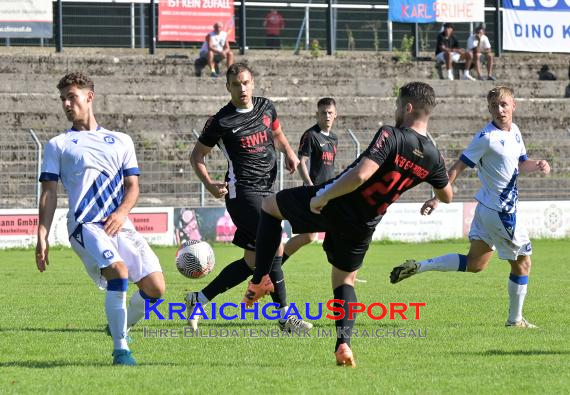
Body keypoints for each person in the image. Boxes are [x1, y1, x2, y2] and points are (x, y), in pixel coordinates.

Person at [243, 82, 453, 367]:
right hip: (365, 223)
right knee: (344, 280)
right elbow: (447, 194)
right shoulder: (434, 158)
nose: (394, 110)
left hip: (337, 202)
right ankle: (343, 344)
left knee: (270, 207)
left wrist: (323, 196)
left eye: (397, 105)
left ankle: (260, 280)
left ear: (408, 107)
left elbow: (360, 175)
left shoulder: (391, 134)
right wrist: (435, 198)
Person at [390, 86, 551, 329]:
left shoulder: (515, 132)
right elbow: (458, 167)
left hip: (487, 209)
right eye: (494, 106)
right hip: (501, 213)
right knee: (523, 263)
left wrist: (537, 164)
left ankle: (420, 267)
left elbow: (521, 163)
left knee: (475, 264)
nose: (499, 110)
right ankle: (515, 321)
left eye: (504, 105)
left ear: (513, 105)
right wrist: (436, 197)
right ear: (489, 109)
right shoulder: (486, 138)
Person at [35, 72, 166, 366]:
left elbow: (133, 188)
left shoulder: (120, 141)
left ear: (89, 97)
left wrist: (121, 214)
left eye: (72, 97)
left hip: (118, 223)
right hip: (84, 225)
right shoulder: (58, 144)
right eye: (63, 99)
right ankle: (121, 350)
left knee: (156, 289)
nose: (67, 104)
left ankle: (118, 325)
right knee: (118, 273)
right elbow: (49, 192)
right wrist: (42, 233)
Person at [185, 62, 313, 333]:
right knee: (275, 243)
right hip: (242, 193)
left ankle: (199, 299)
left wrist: (289, 153)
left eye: (245, 83)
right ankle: (284, 316)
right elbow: (197, 156)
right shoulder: (221, 121)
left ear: (252, 83)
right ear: (228, 87)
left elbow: (276, 134)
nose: (241, 88)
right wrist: (208, 184)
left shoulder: (266, 107)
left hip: (267, 189)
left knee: (253, 261)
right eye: (235, 84)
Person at [282, 97, 338, 263]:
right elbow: (301, 162)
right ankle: (277, 261)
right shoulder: (311, 135)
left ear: (335, 115)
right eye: (323, 113)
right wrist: (309, 184)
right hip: (314, 191)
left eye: (330, 113)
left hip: (331, 191)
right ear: (317, 115)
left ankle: (344, 268)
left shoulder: (334, 138)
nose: (326, 116)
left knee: (335, 228)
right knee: (309, 235)